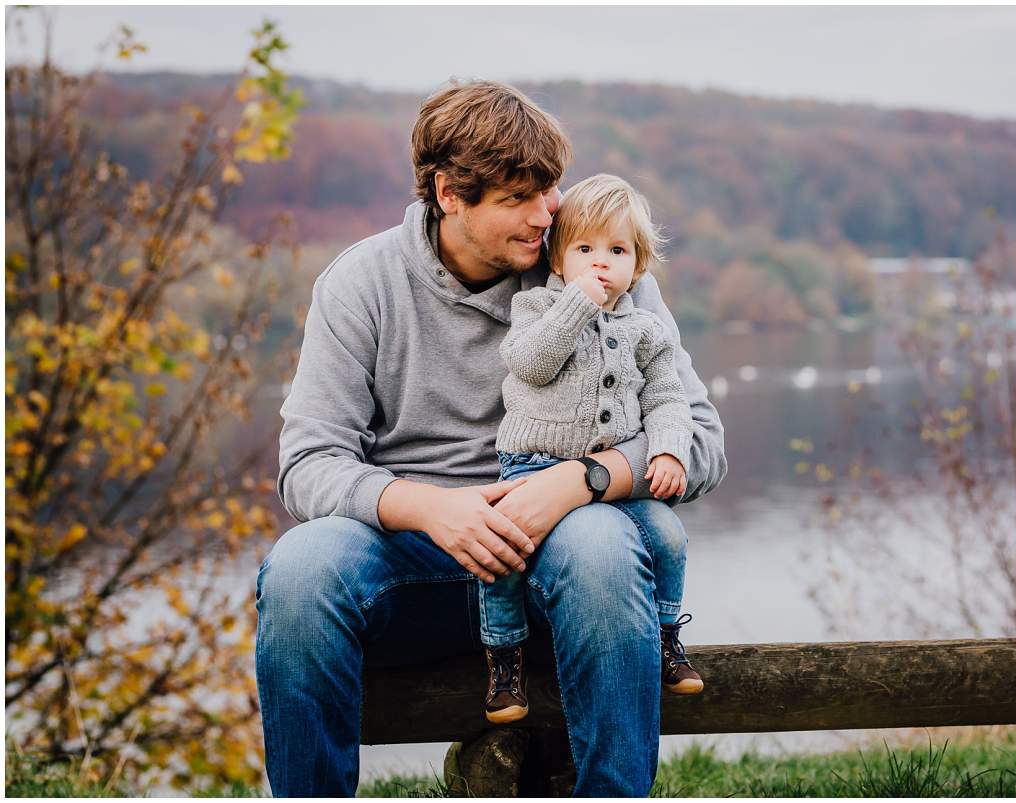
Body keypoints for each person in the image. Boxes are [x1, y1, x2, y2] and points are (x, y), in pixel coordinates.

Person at [255, 80, 726, 797]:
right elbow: (308, 466)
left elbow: (700, 439)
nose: (546, 215)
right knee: (299, 569)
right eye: (516, 198)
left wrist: (580, 481)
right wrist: (428, 507)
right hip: (413, 564)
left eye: (549, 190)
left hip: (561, 565)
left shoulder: (597, 265)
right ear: (449, 194)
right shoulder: (361, 284)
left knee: (602, 544)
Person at [481, 174, 705, 726]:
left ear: (639, 264)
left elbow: (668, 398)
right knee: (503, 558)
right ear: (557, 260)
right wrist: (576, 305)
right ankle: (503, 657)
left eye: (616, 250)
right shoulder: (538, 308)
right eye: (584, 249)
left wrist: (670, 453)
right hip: (532, 466)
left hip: (612, 485)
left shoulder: (645, 329)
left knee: (668, 536)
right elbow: (531, 363)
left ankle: (666, 636)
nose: (599, 262)